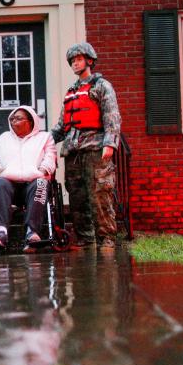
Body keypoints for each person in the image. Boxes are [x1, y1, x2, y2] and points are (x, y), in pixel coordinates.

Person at [50, 42, 124, 250]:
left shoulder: (102, 86)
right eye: (72, 61)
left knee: (100, 196)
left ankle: (106, 239)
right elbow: (62, 125)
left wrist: (110, 144)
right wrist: (44, 140)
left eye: (79, 59)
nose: (75, 63)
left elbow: (112, 117)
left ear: (89, 61)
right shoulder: (72, 91)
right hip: (73, 152)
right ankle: (85, 239)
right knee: (77, 197)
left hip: (95, 149)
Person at [0, 105, 57, 253]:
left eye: (18, 118)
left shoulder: (44, 138)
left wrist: (43, 171)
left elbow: (50, 157)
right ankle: (1, 232)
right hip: (10, 184)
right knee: (0, 183)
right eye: (12, 119)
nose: (13, 121)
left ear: (30, 121)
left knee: (42, 183)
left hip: (34, 182)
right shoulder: (3, 138)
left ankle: (32, 232)